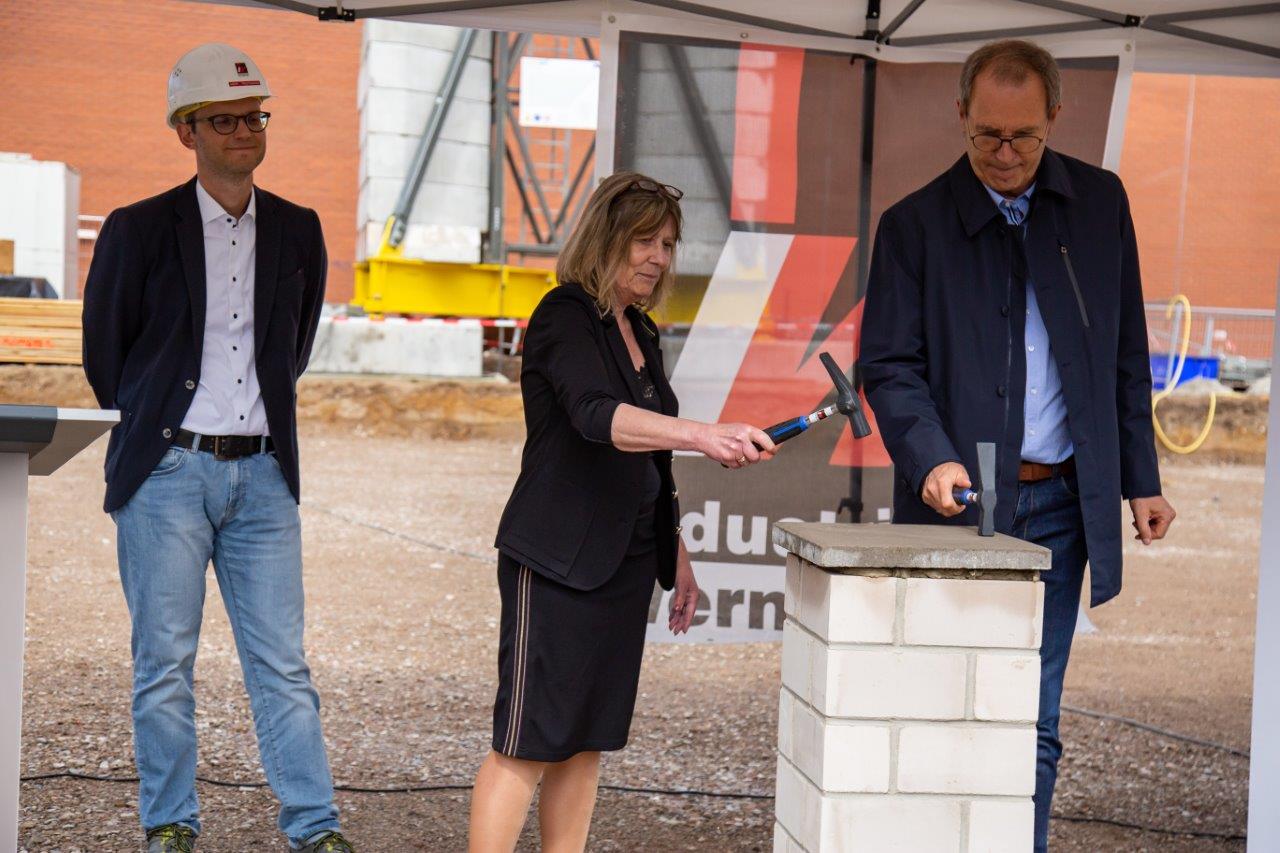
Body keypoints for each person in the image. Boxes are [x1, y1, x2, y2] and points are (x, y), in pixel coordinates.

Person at [858, 40, 1176, 852]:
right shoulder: (913, 227)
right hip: (962, 508)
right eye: (988, 135)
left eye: (1023, 137)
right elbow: (889, 367)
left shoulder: (1100, 205)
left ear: (1055, 119)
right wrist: (932, 458)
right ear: (961, 115)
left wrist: (1140, 476)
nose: (1004, 155)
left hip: (1065, 502)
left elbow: (1125, 352)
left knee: (1033, 715)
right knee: (942, 699)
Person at [81, 43, 352, 853]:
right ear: (186, 131)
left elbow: (292, 350)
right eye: (224, 120)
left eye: (253, 117)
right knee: (164, 663)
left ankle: (315, 827)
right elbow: (107, 356)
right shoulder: (137, 229)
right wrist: (161, 430)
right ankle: (170, 822)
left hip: (264, 474)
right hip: (166, 472)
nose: (243, 131)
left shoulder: (300, 231)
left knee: (283, 666)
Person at [467, 171, 777, 852]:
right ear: (606, 237)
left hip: (626, 563)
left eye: (667, 242)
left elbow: (649, 462)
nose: (659, 257)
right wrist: (702, 432)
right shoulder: (564, 314)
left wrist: (677, 551)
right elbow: (596, 417)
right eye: (644, 239)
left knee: (585, 743)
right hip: (553, 562)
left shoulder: (642, 329)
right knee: (527, 743)